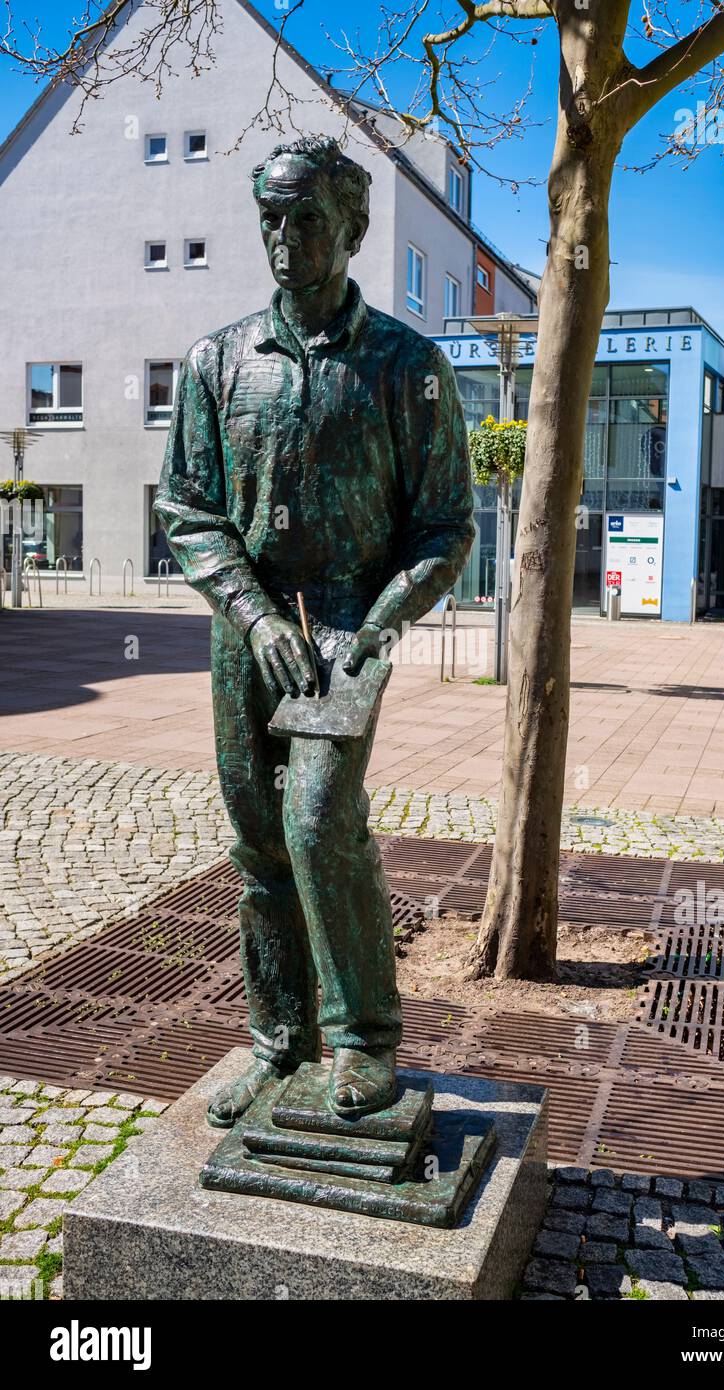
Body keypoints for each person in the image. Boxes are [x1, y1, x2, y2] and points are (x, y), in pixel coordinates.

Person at [155, 136, 474, 1125]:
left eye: (304, 219)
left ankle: (363, 1036)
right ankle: (275, 1038)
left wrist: (376, 627)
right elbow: (187, 507)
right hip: (248, 628)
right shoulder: (216, 361)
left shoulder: (405, 366)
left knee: (318, 821)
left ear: (351, 228)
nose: (282, 239)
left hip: (346, 623)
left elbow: (443, 525)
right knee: (257, 850)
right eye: (270, 218)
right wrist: (249, 614)